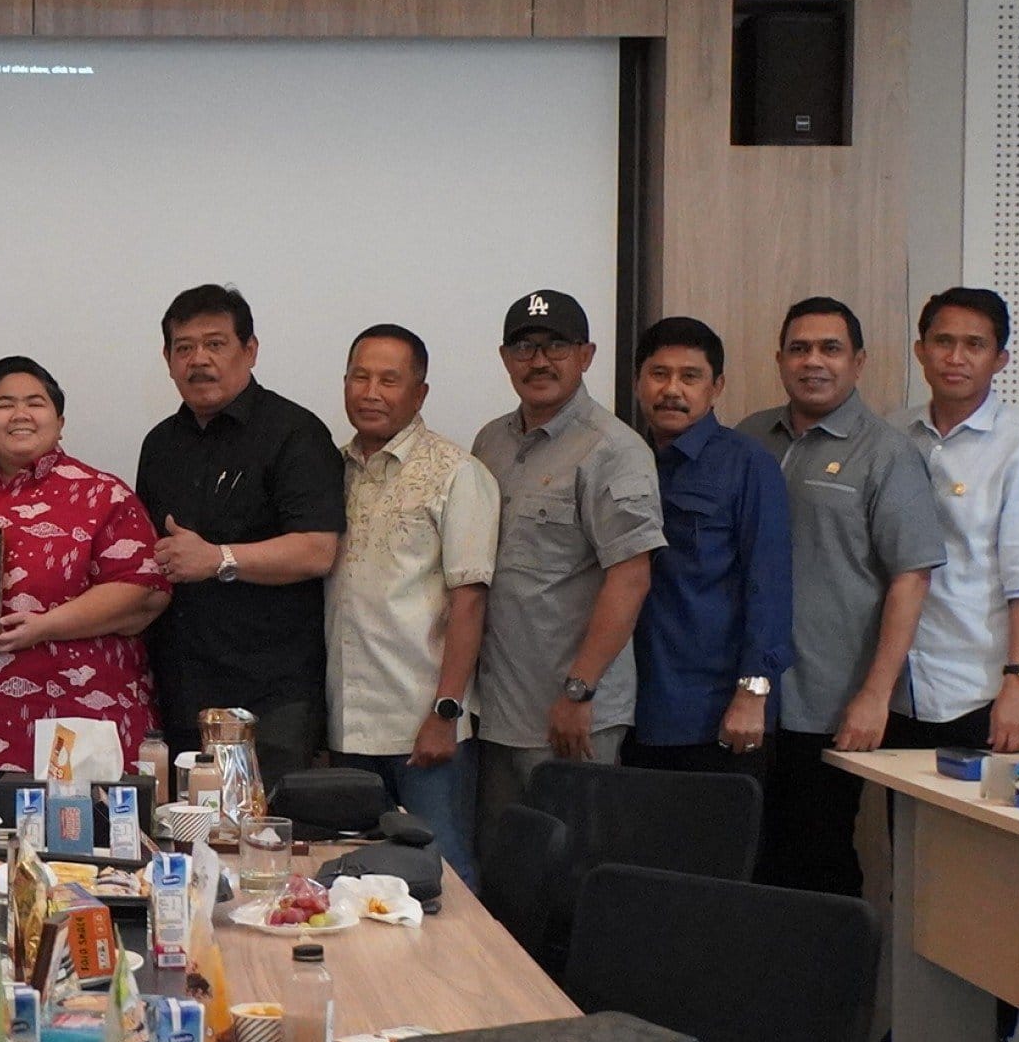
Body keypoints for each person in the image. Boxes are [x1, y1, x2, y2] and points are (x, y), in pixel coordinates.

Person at [739, 297, 943, 896]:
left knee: (818, 858)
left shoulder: (886, 453)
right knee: (749, 859)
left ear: (858, 361)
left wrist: (875, 696)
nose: (813, 361)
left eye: (830, 348)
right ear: (780, 359)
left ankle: (834, 962)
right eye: (799, 348)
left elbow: (911, 577)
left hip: (828, 702)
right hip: (747, 698)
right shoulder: (750, 438)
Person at [0, 357, 170, 807]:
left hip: (74, 733)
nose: (20, 414)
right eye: (4, 404)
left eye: (35, 403)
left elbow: (142, 594)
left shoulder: (103, 494)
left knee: (75, 854)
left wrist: (44, 626)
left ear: (60, 422)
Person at [470, 290, 665, 826]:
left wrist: (580, 691)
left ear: (586, 355)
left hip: (572, 714)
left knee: (571, 861)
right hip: (498, 712)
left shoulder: (614, 450)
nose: (539, 361)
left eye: (556, 346)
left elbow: (631, 577)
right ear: (505, 358)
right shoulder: (490, 442)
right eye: (524, 347)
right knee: (504, 863)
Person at [135, 284, 344, 777]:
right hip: (180, 686)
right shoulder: (159, 444)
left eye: (215, 344)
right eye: (184, 348)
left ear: (250, 350)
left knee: (266, 822)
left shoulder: (295, 433)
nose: (199, 360)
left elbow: (317, 550)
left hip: (271, 694)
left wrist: (218, 559)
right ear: (167, 360)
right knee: (184, 820)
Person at [326, 325, 497, 887]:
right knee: (354, 881)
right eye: (360, 377)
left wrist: (445, 713)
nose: (371, 392)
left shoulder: (456, 473)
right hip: (346, 726)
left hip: (421, 725)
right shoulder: (330, 469)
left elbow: (469, 603)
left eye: (389, 380)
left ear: (419, 392)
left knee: (444, 876)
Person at [891, 288, 1019, 753]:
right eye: (943, 341)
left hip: (986, 690)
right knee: (903, 805)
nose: (956, 358)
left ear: (1000, 358)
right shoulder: (893, 434)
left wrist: (1018, 682)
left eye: (975, 345)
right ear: (920, 350)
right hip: (903, 689)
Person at [626, 316, 795, 777]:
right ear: (638, 382)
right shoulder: (622, 460)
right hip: (632, 708)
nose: (672, 390)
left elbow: (769, 586)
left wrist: (753, 693)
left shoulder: (748, 464)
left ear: (715, 387)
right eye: (659, 374)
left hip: (717, 712)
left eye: (690, 376)